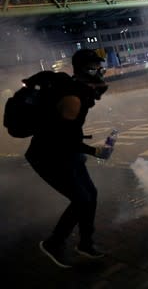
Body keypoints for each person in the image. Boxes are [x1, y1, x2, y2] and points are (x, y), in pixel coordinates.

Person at [25, 49, 113, 268]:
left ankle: (85, 243)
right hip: (46, 156)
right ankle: (53, 244)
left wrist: (86, 150)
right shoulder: (73, 98)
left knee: (90, 194)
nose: (100, 73)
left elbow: (68, 139)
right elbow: (63, 140)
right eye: (94, 68)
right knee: (81, 199)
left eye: (100, 67)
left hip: (66, 153)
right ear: (83, 70)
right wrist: (95, 152)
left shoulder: (79, 92)